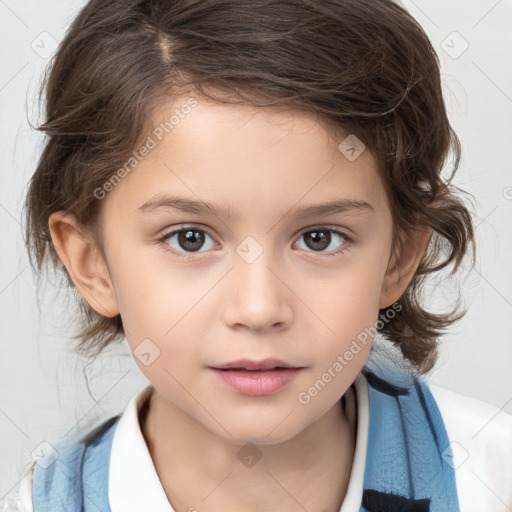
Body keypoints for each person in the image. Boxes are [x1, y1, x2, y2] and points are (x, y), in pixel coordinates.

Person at [3, 0, 511, 511]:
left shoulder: (493, 478)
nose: (258, 308)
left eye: (319, 238)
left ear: (399, 257)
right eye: (190, 239)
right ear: (91, 262)